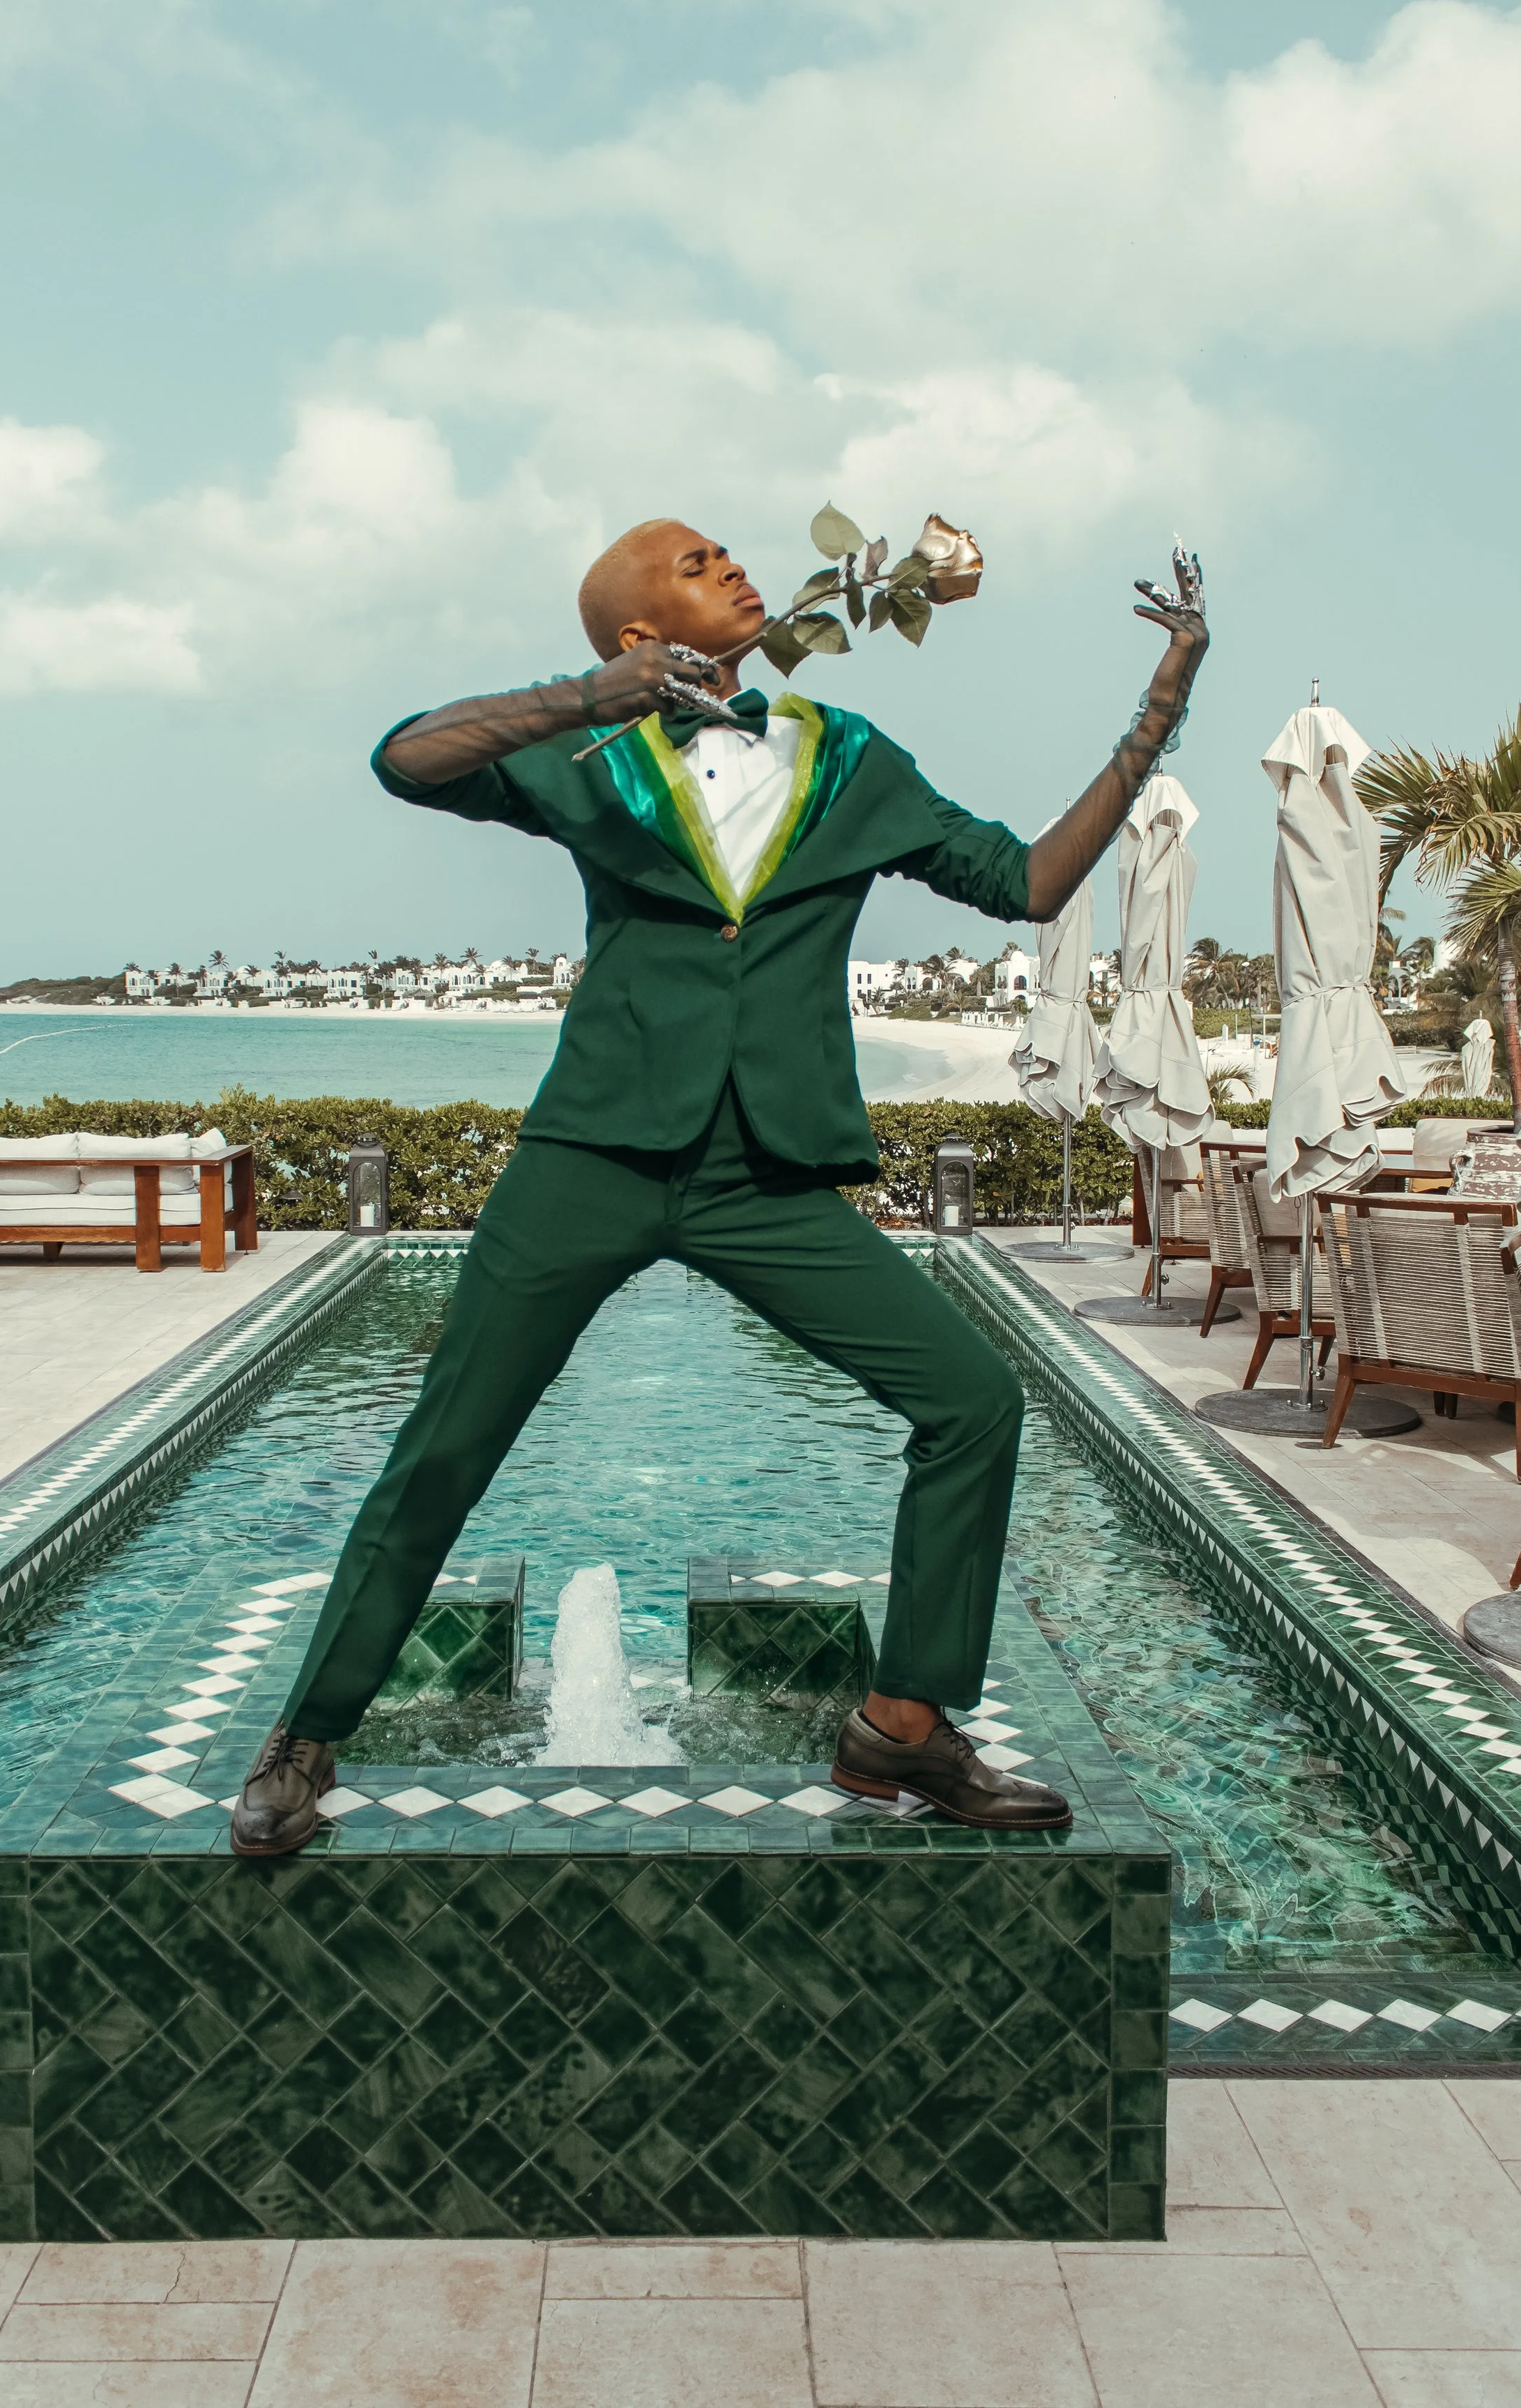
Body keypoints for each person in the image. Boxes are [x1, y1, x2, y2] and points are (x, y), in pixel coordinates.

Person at [231, 519, 1208, 1853]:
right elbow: (406, 758)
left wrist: (1160, 707)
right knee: (444, 1445)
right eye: (698, 565)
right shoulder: (595, 751)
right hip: (593, 1156)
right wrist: (593, 697)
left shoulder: (849, 756)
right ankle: (306, 1733)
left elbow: (1028, 883)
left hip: (767, 1172)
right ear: (643, 633)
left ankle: (904, 1724)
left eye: (732, 555)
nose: (736, 569)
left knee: (974, 1398)